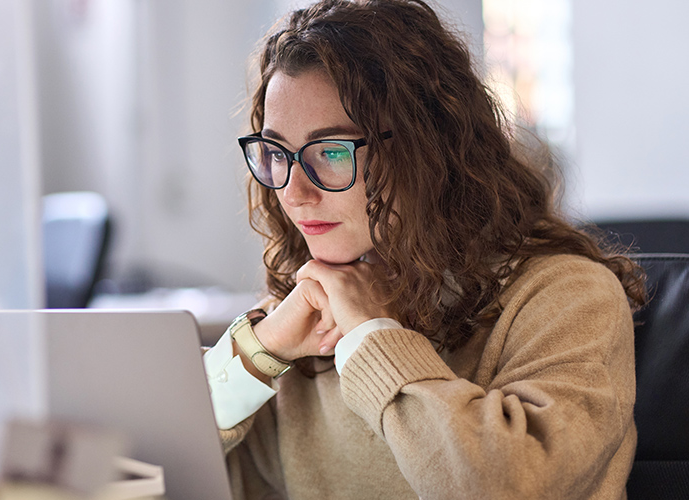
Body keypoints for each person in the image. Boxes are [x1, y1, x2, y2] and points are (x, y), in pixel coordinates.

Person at [202, 1, 646, 498]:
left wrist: (372, 335)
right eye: (277, 153)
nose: (294, 192)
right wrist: (260, 353)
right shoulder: (305, 310)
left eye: (331, 151)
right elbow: (147, 464)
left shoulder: (567, 297)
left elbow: (504, 485)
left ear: (428, 149)